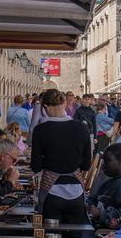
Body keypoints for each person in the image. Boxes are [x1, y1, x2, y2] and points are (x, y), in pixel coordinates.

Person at [30, 87, 94, 225]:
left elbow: (35, 165)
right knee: (75, 237)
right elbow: (87, 164)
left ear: (46, 106)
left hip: (51, 192)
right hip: (76, 191)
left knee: (51, 237)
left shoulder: (40, 130)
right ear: (65, 103)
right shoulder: (81, 128)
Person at [87, 144, 121, 230]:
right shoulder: (111, 180)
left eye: (108, 161)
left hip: (107, 236)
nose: (103, 166)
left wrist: (100, 213)